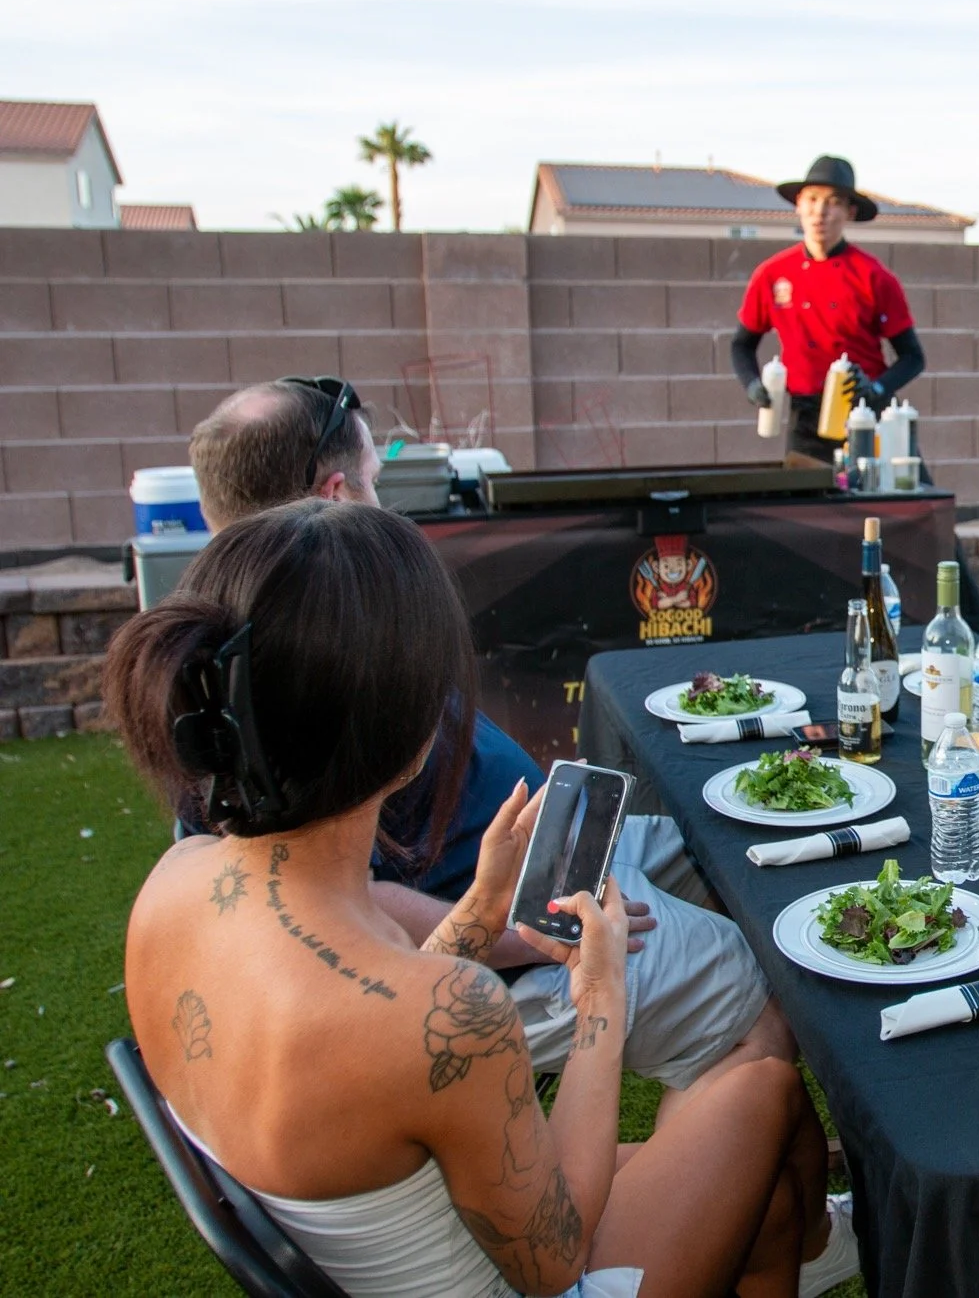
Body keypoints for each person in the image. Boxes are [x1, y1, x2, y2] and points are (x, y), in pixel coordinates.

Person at [111, 501, 857, 1296]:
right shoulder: (452, 1015)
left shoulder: (176, 881)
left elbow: (370, 1044)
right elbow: (558, 1250)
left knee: (767, 1201)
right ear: (408, 731)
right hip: (513, 1264)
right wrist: (600, 995)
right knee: (765, 1085)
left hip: (398, 1231)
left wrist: (480, 908)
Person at [185, 379, 819, 1135]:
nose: (387, 511)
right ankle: (770, 1218)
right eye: (377, 486)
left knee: (741, 849)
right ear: (335, 491)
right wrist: (514, 934)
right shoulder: (295, 664)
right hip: (513, 935)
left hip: (547, 857)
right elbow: (321, 884)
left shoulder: (252, 624)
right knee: (764, 989)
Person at [730, 155, 927, 464]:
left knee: (906, 502)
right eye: (813, 199)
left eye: (833, 202)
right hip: (806, 417)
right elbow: (741, 344)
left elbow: (913, 357)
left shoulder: (873, 276)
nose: (820, 211)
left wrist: (876, 388)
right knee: (809, 508)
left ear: (849, 212)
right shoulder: (772, 275)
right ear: (798, 204)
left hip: (865, 412)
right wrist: (752, 384)